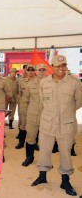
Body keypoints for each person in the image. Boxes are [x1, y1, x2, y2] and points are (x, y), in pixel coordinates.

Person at [31, 55, 82, 196]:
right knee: (44, 151)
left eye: (63, 66)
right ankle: (42, 176)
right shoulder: (44, 83)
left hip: (66, 124)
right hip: (47, 123)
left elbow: (78, 103)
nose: (60, 69)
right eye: (57, 66)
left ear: (66, 66)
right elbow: (43, 102)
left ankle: (65, 180)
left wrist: (65, 112)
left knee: (66, 153)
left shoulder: (75, 83)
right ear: (51, 67)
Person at [20, 64, 46, 167]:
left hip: (46, 117)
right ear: (36, 71)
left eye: (43, 70)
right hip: (32, 117)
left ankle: (45, 161)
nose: (41, 72)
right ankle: (29, 158)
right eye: (39, 70)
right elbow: (24, 101)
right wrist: (24, 116)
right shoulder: (30, 85)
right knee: (30, 138)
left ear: (45, 71)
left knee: (45, 141)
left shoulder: (51, 84)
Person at [16, 65, 35, 149]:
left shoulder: (39, 81)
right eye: (29, 70)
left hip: (35, 106)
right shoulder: (21, 81)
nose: (30, 71)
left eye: (32, 70)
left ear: (35, 71)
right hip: (24, 106)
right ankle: (21, 142)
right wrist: (20, 104)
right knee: (23, 124)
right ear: (26, 71)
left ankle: (34, 143)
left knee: (34, 125)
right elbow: (18, 93)